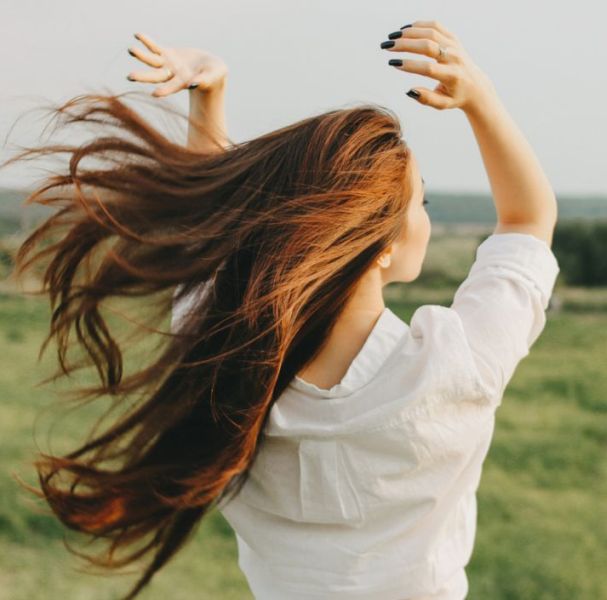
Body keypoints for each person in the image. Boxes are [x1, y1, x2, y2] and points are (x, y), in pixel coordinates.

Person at [9, 19, 559, 600]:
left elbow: (214, 241)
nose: (426, 213)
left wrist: (209, 97)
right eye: (418, 202)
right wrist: (480, 97)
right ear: (382, 245)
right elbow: (527, 220)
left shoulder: (224, 365)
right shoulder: (455, 367)